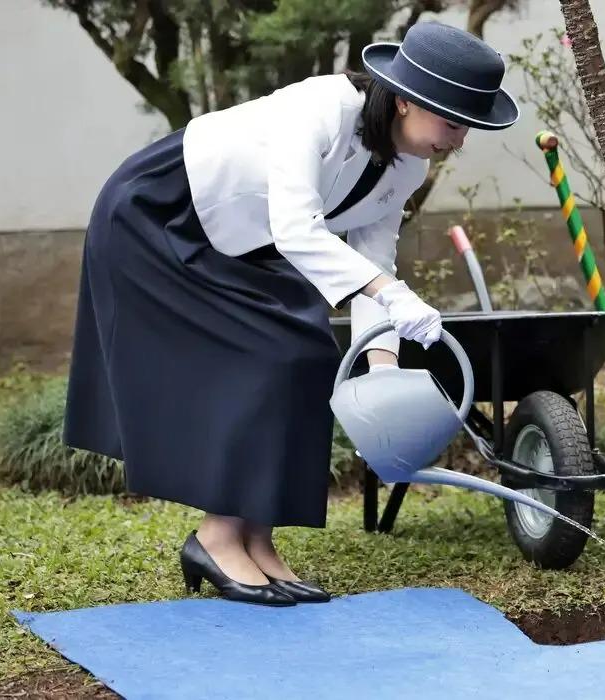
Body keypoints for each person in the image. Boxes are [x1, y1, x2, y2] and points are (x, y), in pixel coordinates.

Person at [63, 22, 519, 605]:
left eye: (468, 128)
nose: (458, 142)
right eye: (453, 124)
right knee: (268, 353)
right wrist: (392, 292)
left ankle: (257, 534)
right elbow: (297, 229)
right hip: (157, 216)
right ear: (406, 99)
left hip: (239, 238)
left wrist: (383, 365)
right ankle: (217, 535)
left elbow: (373, 257)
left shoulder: (408, 165)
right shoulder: (321, 109)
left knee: (306, 354)